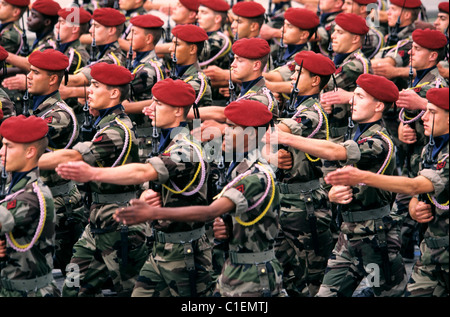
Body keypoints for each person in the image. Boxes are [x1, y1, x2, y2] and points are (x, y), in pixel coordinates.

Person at [56, 78, 214, 297]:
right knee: (74, 287)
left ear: (178, 111)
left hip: (185, 254)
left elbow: (143, 172)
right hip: (159, 249)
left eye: (157, 104)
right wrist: (151, 192)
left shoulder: (185, 149)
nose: (148, 109)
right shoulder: (168, 143)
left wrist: (93, 173)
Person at [113, 99, 285, 297]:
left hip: (253, 274)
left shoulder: (255, 175)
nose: (225, 131)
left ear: (252, 134)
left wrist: (154, 212)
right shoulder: (233, 162)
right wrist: (227, 226)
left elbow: (210, 211)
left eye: (232, 127)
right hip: (232, 263)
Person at [266, 73, 408, 296]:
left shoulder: (379, 141)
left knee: (387, 293)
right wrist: (331, 192)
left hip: (375, 238)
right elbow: (331, 166)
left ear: (379, 105)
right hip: (348, 234)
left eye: (360, 97)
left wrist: (286, 137)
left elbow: (335, 151)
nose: (352, 100)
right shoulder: (357, 133)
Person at [324, 87, 449, 297]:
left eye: (433, 112)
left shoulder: (379, 140)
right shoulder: (430, 149)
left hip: (376, 234)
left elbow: (414, 186)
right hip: (430, 251)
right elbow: (416, 196)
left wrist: (362, 177)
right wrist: (414, 209)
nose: (424, 117)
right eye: (425, 110)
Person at [38, 62, 148, 297]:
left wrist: (26, 161)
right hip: (98, 224)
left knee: (131, 291)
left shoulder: (117, 130)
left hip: (121, 226)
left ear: (114, 93)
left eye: (96, 86)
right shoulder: (106, 124)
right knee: (73, 287)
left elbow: (74, 156)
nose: (89, 91)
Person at [266, 50, 336, 297]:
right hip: (285, 202)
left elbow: (276, 131)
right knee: (283, 274)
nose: (293, 75)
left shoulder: (311, 112)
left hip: (305, 207)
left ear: (315, 80)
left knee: (312, 277)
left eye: (299, 72)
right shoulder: (295, 105)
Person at [26, 48, 84, 278]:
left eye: (35, 72)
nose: (28, 76)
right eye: (29, 71)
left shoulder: (59, 116)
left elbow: (24, 147)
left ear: (52, 79)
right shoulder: (40, 108)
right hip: (44, 200)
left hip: (61, 206)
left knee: (69, 277)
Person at [0, 115, 60, 297]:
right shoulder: (12, 184)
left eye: (8, 146)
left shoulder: (32, 196)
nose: (1, 151)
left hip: (30, 292)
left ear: (30, 152)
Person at [124, 13, 166, 162]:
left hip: (145, 136)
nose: (129, 37)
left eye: (134, 33)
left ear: (148, 38)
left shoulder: (148, 70)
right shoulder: (139, 63)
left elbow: (118, 93)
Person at [61, 7, 127, 100]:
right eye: (92, 25)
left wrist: (47, 79)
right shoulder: (102, 52)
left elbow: (77, 80)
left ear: (111, 30)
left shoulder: (112, 59)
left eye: (96, 26)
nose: (90, 30)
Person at [264, 7, 320, 100]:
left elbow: (275, 77)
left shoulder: (303, 58)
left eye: (289, 27)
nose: (282, 30)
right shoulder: (283, 48)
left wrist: (246, 75)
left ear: (304, 35)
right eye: (284, 25)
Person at [168, 23, 212, 108]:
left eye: (176, 44)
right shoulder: (177, 72)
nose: (170, 49)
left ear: (192, 49)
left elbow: (167, 105)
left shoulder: (197, 81)